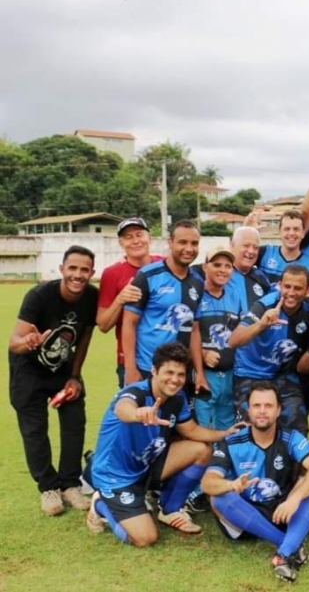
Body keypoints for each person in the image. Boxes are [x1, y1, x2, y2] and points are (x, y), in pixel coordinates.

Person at [85, 343, 242, 546]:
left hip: (145, 466)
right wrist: (138, 414)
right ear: (153, 371)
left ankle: (170, 509)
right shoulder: (136, 393)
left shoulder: (177, 398)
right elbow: (122, 409)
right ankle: (100, 504)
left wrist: (225, 433)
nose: (175, 379)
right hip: (115, 477)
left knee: (202, 450)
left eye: (180, 374)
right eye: (169, 372)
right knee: (145, 538)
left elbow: (192, 431)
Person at [202, 381, 309, 582]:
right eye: (257, 406)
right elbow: (207, 483)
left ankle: (283, 553)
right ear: (248, 411)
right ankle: (289, 547)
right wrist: (231, 485)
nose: (262, 411)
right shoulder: (232, 441)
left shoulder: (291, 438)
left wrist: (295, 498)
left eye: (268, 406)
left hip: (282, 514)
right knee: (218, 498)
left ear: (278, 410)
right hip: (244, 518)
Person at [9, 245, 98, 515]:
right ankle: (48, 487)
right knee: (35, 430)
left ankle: (71, 484)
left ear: (92, 272)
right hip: (29, 371)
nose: (78, 275)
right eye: (72, 268)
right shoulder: (39, 295)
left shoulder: (91, 296)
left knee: (74, 423)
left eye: (85, 270)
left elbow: (83, 338)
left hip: (63, 370)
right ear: (62, 269)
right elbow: (14, 343)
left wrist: (74, 376)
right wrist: (29, 341)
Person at [230, 265, 309, 434]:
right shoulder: (265, 305)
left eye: (298, 288)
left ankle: (292, 460)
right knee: (250, 429)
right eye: (287, 286)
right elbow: (234, 341)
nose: (291, 293)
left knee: (298, 429)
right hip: (250, 373)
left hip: (283, 376)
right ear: (279, 285)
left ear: (308, 290)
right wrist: (262, 324)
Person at [122, 219, 204, 385]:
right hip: (147, 368)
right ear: (170, 243)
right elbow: (129, 323)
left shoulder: (198, 282)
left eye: (194, 243)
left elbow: (194, 330)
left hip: (179, 373)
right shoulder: (147, 276)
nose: (189, 249)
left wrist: (199, 372)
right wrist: (130, 369)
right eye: (182, 242)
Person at [96, 217, 163, 387]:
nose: (135, 241)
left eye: (139, 235)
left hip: (167, 358)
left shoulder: (165, 265)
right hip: (130, 360)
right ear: (121, 243)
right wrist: (120, 299)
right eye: (128, 237)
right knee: (133, 411)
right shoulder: (112, 273)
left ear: (150, 238)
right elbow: (103, 325)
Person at [254, 153, 309, 283]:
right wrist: (249, 232)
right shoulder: (264, 253)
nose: (291, 233)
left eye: (296, 229)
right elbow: (238, 260)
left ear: (303, 233)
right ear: (279, 231)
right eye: (287, 229)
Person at [190, 246, 243, 430]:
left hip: (229, 376)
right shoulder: (195, 295)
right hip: (203, 376)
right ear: (205, 267)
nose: (223, 269)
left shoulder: (235, 297)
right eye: (217, 264)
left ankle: (222, 459)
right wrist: (203, 354)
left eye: (228, 266)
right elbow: (184, 335)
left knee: (226, 429)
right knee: (201, 428)